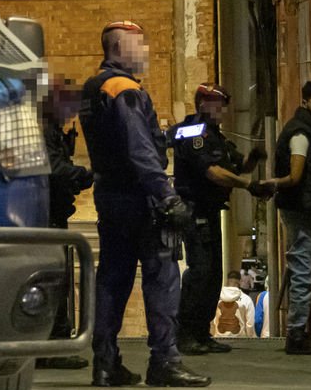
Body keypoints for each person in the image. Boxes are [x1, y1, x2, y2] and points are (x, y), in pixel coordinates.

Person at [79, 21, 210, 388]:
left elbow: (121, 142)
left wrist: (165, 136)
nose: (147, 52)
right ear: (121, 48)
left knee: (112, 279)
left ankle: (105, 364)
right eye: (141, 45)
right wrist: (167, 196)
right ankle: (164, 361)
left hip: (109, 198)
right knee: (162, 278)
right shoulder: (125, 89)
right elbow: (139, 150)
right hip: (142, 200)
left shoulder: (93, 88)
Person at [170, 82, 265, 356]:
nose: (222, 110)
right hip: (194, 211)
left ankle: (202, 333)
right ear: (202, 104)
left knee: (213, 274)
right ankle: (185, 334)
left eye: (223, 105)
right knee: (199, 272)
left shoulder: (216, 137)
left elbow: (236, 165)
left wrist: (253, 160)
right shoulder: (194, 132)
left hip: (210, 211)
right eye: (217, 105)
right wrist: (248, 185)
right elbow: (213, 172)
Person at [258, 80, 311, 355]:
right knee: (304, 267)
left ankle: (298, 331)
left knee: (302, 265)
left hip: (299, 206)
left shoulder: (302, 130)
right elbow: (296, 176)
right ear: (305, 102)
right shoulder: (301, 134)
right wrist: (276, 183)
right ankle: (296, 333)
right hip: (299, 207)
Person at [36, 75, 95, 370]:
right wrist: (86, 174)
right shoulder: (45, 132)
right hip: (46, 218)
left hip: (54, 215)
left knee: (58, 282)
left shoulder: (54, 131)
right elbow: (55, 169)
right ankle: (52, 347)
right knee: (54, 282)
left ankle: (54, 345)